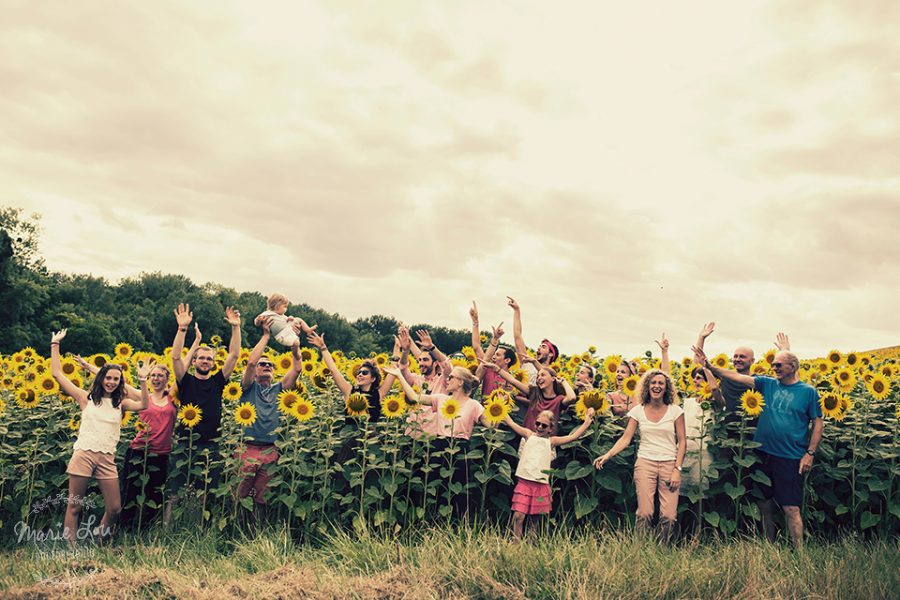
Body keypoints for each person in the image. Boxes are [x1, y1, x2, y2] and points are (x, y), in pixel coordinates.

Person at [694, 346, 822, 549]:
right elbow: (736, 377)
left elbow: (817, 422)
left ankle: (799, 552)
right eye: (773, 365)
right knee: (764, 503)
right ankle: (768, 545)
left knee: (791, 507)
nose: (775, 368)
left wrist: (810, 453)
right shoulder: (767, 383)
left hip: (790, 456)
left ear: (792, 366)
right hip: (762, 453)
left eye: (779, 365)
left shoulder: (807, 392)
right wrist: (709, 366)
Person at [50, 329, 152, 545]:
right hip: (84, 454)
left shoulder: (121, 404)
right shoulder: (85, 398)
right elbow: (58, 374)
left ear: (120, 382)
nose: (112, 382)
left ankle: (99, 540)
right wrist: (55, 345)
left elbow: (144, 404)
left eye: (116, 379)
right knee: (75, 505)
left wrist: (142, 379)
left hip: (107, 458)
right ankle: (71, 549)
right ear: (101, 378)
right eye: (108, 377)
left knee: (114, 507)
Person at [166, 303, 242, 525]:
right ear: (195, 361)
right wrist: (182, 330)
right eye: (202, 358)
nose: (206, 361)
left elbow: (235, 355)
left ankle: (199, 531)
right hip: (184, 443)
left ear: (213, 363)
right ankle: (167, 531)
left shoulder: (218, 381)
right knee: (175, 492)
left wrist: (235, 327)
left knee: (206, 493)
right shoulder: (185, 381)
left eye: (210, 359)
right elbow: (176, 357)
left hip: (212, 445)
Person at [594, 368, 686, 540]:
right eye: (653, 382)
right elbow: (626, 438)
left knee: (668, 516)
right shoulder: (638, 410)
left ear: (666, 388)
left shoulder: (675, 411)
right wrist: (607, 455)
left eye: (661, 383)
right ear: (647, 386)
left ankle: (661, 547)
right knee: (644, 513)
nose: (657, 386)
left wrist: (677, 469)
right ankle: (640, 548)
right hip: (645, 463)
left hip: (669, 464)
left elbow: (682, 442)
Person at [385, 364, 487, 515]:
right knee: (435, 486)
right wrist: (399, 376)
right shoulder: (441, 399)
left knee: (456, 489)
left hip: (460, 449)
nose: (448, 379)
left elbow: (492, 424)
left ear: (460, 382)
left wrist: (501, 405)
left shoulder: (474, 405)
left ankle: (454, 525)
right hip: (438, 446)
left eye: (451, 377)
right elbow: (414, 398)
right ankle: (432, 523)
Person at [235, 316, 303, 520]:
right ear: (256, 370)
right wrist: (266, 335)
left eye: (270, 365)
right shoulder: (247, 388)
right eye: (263, 364)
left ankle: (258, 533)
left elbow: (297, 368)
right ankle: (236, 529)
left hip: (271, 449)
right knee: (241, 492)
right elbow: (250, 362)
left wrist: (294, 345)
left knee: (264, 496)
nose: (266, 366)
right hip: (247, 447)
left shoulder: (280, 389)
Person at [503, 408, 595, 540]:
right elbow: (512, 423)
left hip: (540, 485)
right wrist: (501, 404)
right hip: (524, 482)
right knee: (518, 516)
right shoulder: (528, 435)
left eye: (544, 425)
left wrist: (586, 422)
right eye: (538, 423)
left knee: (535, 519)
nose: (539, 427)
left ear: (550, 429)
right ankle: (515, 543)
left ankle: (530, 544)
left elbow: (573, 437)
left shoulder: (551, 441)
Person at [119, 363, 178, 530]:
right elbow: (120, 382)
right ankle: (125, 529)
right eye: (153, 375)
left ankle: (146, 530)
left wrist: (194, 344)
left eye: (160, 375)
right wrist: (88, 367)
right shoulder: (142, 395)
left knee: (155, 495)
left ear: (167, 379)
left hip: (160, 454)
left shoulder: (173, 398)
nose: (156, 379)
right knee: (131, 493)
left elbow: (182, 370)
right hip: (138, 451)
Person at [305, 329, 397, 422]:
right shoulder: (349, 391)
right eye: (359, 372)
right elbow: (333, 370)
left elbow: (393, 372)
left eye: (364, 373)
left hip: (372, 436)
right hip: (349, 436)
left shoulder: (379, 394)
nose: (360, 375)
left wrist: (397, 347)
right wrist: (323, 348)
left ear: (373, 378)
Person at [480, 356, 576, 432]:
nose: (538, 378)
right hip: (528, 439)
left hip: (547, 443)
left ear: (553, 379)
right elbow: (513, 380)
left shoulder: (558, 400)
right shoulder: (534, 393)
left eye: (542, 375)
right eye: (538, 376)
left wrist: (563, 381)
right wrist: (497, 369)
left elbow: (572, 398)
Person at [469, 302, 518, 397]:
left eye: (498, 355)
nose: (493, 357)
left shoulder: (512, 379)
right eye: (494, 354)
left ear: (507, 360)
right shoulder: (488, 369)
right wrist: (475, 322)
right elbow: (476, 347)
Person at [508, 296, 560, 385]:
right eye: (539, 346)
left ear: (551, 354)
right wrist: (517, 310)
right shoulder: (528, 363)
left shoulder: (552, 375)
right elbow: (517, 336)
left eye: (543, 347)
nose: (539, 348)